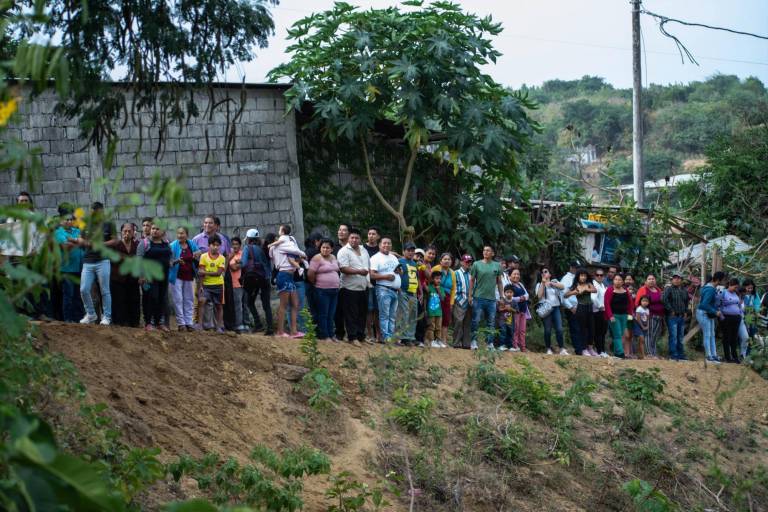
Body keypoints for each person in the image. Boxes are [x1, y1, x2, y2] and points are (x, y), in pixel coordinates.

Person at [79, 202, 115, 325]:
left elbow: (115, 240)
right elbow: (80, 238)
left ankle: (107, 317)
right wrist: (85, 242)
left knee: (105, 290)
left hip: (103, 261)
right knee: (84, 289)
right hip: (88, 261)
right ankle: (91, 314)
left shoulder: (109, 224)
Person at [192, 215, 231, 329]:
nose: (207, 225)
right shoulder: (196, 239)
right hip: (200, 277)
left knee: (217, 304)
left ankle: (217, 326)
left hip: (217, 279)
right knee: (199, 300)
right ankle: (198, 324)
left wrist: (223, 271)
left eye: (210, 223)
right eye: (205, 222)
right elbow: (192, 256)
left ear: (216, 225)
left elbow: (227, 255)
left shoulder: (222, 239)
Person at [269, 224, 307, 338]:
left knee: (295, 304)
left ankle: (294, 331)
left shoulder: (289, 245)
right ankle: (280, 332)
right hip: (283, 275)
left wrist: (301, 259)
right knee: (283, 305)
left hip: (290, 276)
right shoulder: (278, 246)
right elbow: (272, 252)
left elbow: (295, 254)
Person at [337, 228, 370, 345]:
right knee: (351, 314)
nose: (354, 240)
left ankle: (361, 336)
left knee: (362, 313)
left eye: (356, 238)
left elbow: (368, 266)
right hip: (349, 287)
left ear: (360, 239)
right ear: (348, 238)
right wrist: (359, 272)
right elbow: (343, 268)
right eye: (352, 238)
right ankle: (352, 337)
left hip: (364, 286)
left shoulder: (364, 250)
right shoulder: (343, 251)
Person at [137, 224, 172, 331]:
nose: (154, 231)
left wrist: (170, 262)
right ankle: (149, 322)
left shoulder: (166, 243)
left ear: (163, 231)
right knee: (151, 298)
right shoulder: (144, 243)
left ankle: (159, 323)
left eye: (157, 229)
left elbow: (170, 257)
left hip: (163, 276)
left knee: (161, 298)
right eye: (153, 229)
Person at [54, 206, 85, 323]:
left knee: (78, 296)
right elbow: (65, 246)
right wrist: (77, 241)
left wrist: (72, 240)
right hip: (66, 269)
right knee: (69, 295)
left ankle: (79, 319)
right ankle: (68, 319)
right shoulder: (58, 232)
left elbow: (83, 242)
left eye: (71, 219)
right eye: (66, 219)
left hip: (79, 268)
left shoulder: (76, 231)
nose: (69, 221)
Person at [469, 245, 504, 350]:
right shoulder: (476, 264)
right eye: (484, 250)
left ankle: (490, 343)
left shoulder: (497, 265)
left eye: (488, 250)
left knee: (491, 322)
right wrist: (470, 295)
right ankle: (474, 341)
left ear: (492, 253)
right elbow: (472, 280)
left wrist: (502, 297)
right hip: (478, 297)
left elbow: (500, 282)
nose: (485, 252)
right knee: (476, 320)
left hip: (492, 299)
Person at [369, 236, 401, 343]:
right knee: (384, 315)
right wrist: (385, 277)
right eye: (384, 243)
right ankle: (385, 337)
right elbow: (372, 275)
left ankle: (390, 337)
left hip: (395, 290)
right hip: (383, 289)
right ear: (380, 245)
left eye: (389, 243)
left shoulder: (393, 257)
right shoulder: (375, 258)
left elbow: (397, 271)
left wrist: (399, 272)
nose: (387, 245)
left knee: (392, 316)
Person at [240, 229, 272, 334]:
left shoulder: (247, 248)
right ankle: (270, 328)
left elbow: (244, 264)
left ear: (248, 239)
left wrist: (237, 263)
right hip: (266, 278)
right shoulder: (264, 248)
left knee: (250, 302)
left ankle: (258, 324)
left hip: (253, 279)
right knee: (266, 304)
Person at [108, 223, 140, 327]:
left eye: (129, 231)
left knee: (133, 301)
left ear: (133, 233)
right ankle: (119, 323)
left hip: (132, 280)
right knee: (119, 302)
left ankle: (134, 323)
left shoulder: (137, 246)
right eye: (124, 231)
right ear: (121, 232)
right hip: (117, 279)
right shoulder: (115, 245)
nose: (127, 233)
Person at [308, 239, 340, 342]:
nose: (325, 249)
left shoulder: (333, 257)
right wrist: (315, 284)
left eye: (328, 248)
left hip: (334, 290)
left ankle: (331, 334)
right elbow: (310, 274)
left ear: (332, 249)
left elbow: (336, 270)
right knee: (323, 314)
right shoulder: (317, 258)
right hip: (322, 290)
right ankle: (324, 335)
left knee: (332, 314)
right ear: (320, 248)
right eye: (323, 247)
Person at [169, 227, 200, 332]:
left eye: (182, 233)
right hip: (176, 276)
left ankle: (189, 323)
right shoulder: (173, 246)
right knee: (178, 299)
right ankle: (181, 323)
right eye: (178, 233)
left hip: (189, 276)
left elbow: (198, 253)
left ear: (187, 234)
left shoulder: (191, 244)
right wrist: (177, 261)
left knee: (189, 299)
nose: (180, 236)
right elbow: (169, 262)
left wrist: (197, 254)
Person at [198, 235, 226, 333]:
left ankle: (218, 326)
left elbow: (218, 273)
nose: (215, 247)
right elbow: (200, 273)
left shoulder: (222, 258)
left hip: (218, 285)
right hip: (206, 285)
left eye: (218, 245)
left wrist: (205, 272)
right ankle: (200, 325)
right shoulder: (203, 256)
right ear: (209, 245)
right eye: (213, 245)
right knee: (202, 301)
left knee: (218, 305)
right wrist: (200, 286)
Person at [565, 269, 597, 356]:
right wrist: (574, 292)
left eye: (585, 276)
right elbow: (565, 295)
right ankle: (583, 348)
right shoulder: (575, 285)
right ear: (578, 276)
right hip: (581, 307)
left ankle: (590, 348)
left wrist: (586, 289)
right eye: (581, 275)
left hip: (590, 307)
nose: (583, 277)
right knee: (582, 329)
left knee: (591, 328)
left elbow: (595, 290)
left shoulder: (589, 284)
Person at [536, 267, 566, 355]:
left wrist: (551, 283)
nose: (544, 273)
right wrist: (543, 282)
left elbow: (562, 287)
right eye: (542, 272)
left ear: (550, 273)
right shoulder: (539, 284)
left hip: (556, 307)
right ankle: (548, 348)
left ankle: (561, 348)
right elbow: (539, 296)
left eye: (546, 271)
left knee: (559, 329)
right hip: (546, 309)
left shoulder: (555, 281)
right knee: (547, 330)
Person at [697, 271, 724, 364]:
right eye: (722, 280)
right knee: (707, 334)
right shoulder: (710, 289)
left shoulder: (709, 287)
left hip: (708, 314)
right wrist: (715, 312)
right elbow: (704, 304)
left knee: (712, 334)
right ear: (718, 280)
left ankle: (714, 355)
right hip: (704, 313)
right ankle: (708, 356)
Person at [635, 274, 664, 359]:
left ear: (655, 280)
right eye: (649, 279)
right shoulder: (643, 289)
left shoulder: (658, 289)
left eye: (653, 279)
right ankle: (649, 353)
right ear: (646, 281)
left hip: (659, 316)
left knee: (655, 335)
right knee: (648, 334)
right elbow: (637, 303)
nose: (651, 280)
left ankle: (654, 353)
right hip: (649, 315)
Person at [604, 273, 632, 359]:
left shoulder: (625, 290)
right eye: (616, 279)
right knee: (617, 334)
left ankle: (616, 353)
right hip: (614, 315)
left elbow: (630, 303)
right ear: (613, 280)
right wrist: (610, 316)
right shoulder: (609, 290)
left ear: (623, 281)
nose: (617, 281)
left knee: (621, 334)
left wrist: (630, 314)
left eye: (619, 280)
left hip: (624, 315)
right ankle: (620, 352)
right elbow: (606, 303)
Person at [662, 273, 690, 361]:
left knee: (680, 336)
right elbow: (663, 299)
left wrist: (686, 311)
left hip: (681, 316)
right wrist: (671, 310)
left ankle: (680, 354)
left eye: (678, 278)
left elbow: (686, 302)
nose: (676, 280)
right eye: (675, 278)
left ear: (681, 280)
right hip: (672, 316)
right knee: (673, 335)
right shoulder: (668, 289)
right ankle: (673, 354)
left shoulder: (684, 290)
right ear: (672, 280)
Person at [397, 243, 420, 346]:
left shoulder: (415, 264)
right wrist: (398, 289)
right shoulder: (399, 262)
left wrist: (420, 292)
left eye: (412, 251)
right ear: (404, 251)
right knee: (404, 313)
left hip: (413, 292)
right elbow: (396, 274)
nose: (411, 252)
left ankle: (410, 337)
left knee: (412, 315)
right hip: (403, 291)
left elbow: (417, 278)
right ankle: (403, 337)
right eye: (408, 250)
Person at [432, 253, 456, 344]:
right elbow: (430, 281)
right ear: (440, 261)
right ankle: (434, 339)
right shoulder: (435, 269)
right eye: (445, 259)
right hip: (436, 295)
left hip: (447, 297)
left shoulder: (452, 273)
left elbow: (453, 288)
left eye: (449, 259)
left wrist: (451, 302)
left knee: (446, 319)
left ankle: (443, 340)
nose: (447, 261)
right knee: (435, 317)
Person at [560, 260, 583, 355]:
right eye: (575, 267)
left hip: (580, 306)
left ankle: (581, 348)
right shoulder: (566, 279)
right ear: (571, 268)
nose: (576, 269)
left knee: (581, 328)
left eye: (578, 268)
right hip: (572, 308)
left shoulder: (578, 278)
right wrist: (570, 307)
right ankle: (578, 350)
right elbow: (562, 294)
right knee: (575, 328)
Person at [228, 237, 250, 333]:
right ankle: (239, 325)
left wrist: (240, 263)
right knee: (238, 305)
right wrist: (242, 263)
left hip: (246, 283)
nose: (235, 246)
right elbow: (233, 267)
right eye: (233, 244)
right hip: (235, 283)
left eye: (237, 244)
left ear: (240, 245)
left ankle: (246, 324)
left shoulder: (243, 253)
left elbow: (247, 264)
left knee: (245, 305)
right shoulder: (230, 255)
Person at [719, 278, 742, 364]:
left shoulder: (736, 294)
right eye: (735, 287)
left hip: (736, 318)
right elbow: (719, 304)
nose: (736, 289)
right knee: (727, 337)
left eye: (737, 287)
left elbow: (739, 304)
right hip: (726, 318)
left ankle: (735, 356)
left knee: (734, 338)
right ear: (730, 285)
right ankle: (728, 357)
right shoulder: (723, 292)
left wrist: (740, 314)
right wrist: (721, 316)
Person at [333, 223, 350, 339]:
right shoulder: (333, 247)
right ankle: (339, 333)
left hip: (351, 283)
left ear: (349, 233)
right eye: (339, 230)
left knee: (350, 310)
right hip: (336, 283)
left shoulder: (353, 248)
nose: (340, 232)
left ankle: (352, 334)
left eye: (344, 230)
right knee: (337, 309)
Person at [452, 254, 473, 349]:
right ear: (461, 262)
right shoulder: (456, 273)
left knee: (467, 323)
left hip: (470, 301)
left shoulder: (471, 274)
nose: (468, 264)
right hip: (459, 300)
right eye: (466, 262)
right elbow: (453, 287)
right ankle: (456, 342)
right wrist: (457, 298)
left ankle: (466, 343)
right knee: (458, 321)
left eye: (469, 262)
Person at [364, 226, 381, 343]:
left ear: (378, 236)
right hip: (366, 283)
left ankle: (378, 334)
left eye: (373, 234)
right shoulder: (362, 248)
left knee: (378, 310)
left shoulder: (381, 249)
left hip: (380, 283)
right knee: (369, 309)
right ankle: (369, 334)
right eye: (369, 233)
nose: (371, 236)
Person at [508, 268, 529, 352]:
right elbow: (509, 298)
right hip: (514, 311)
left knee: (522, 330)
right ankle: (515, 346)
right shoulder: (509, 285)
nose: (516, 276)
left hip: (523, 310)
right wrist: (520, 298)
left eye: (518, 274)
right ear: (510, 276)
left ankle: (523, 347)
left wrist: (523, 297)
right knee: (515, 329)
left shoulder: (520, 284)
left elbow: (527, 295)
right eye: (514, 274)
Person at [740, 279, 761, 358]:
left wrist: (756, 311)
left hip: (752, 316)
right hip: (743, 315)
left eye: (751, 288)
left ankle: (749, 353)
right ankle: (744, 353)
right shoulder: (742, 294)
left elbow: (757, 304)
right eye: (748, 288)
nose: (750, 290)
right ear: (744, 287)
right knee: (746, 335)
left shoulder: (755, 295)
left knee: (752, 334)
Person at [591, 269, 609, 357]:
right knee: (599, 332)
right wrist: (599, 306)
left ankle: (602, 350)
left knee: (603, 332)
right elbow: (593, 298)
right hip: (597, 311)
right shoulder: (594, 284)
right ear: (594, 276)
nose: (599, 276)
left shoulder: (602, 285)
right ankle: (599, 350)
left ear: (603, 276)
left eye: (601, 275)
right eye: (597, 275)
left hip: (603, 311)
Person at [425, 271, 445, 348]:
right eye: (437, 278)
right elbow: (426, 297)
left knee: (438, 327)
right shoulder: (429, 287)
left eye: (440, 279)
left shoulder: (441, 288)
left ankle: (438, 340)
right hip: (431, 311)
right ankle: (431, 340)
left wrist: (438, 290)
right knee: (431, 326)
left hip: (439, 312)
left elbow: (442, 299)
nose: (439, 280)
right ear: (433, 279)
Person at [497, 285, 516, 351]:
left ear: (513, 293)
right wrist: (505, 308)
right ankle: (501, 345)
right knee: (503, 332)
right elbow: (499, 309)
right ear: (504, 293)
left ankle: (510, 346)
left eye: (511, 292)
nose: (509, 294)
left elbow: (516, 311)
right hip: (502, 321)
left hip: (511, 321)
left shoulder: (514, 302)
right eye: (507, 292)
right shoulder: (502, 301)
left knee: (510, 333)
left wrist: (511, 309)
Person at [632, 295, 651, 360]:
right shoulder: (639, 308)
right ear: (640, 301)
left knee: (641, 341)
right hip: (638, 325)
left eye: (646, 301)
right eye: (643, 301)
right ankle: (641, 355)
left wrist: (647, 325)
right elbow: (638, 318)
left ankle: (640, 355)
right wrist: (642, 326)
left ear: (648, 302)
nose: (645, 302)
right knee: (641, 339)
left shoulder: (648, 310)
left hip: (644, 325)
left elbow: (648, 319)